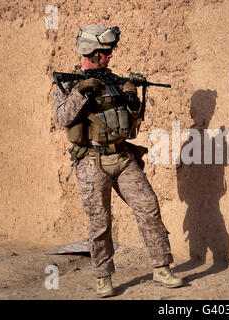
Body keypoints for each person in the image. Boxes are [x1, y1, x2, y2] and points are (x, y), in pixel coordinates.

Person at [53, 24, 183, 298]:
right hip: (91, 160)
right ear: (93, 52)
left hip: (122, 156)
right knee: (99, 221)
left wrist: (133, 97)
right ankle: (103, 277)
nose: (110, 56)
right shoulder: (68, 83)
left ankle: (161, 268)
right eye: (106, 52)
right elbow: (63, 118)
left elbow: (133, 122)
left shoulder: (114, 80)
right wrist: (82, 92)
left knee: (148, 206)